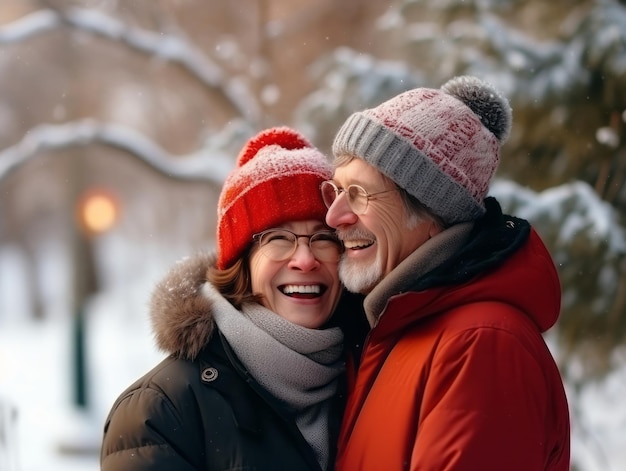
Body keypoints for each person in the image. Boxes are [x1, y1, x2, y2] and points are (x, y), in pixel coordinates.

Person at [320, 76, 570, 470]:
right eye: (335, 191)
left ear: (434, 214)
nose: (334, 216)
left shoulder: (482, 346)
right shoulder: (393, 329)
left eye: (359, 194)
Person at [100, 126, 365, 471]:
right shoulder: (161, 413)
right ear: (242, 264)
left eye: (323, 239)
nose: (304, 259)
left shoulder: (368, 376)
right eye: (278, 239)